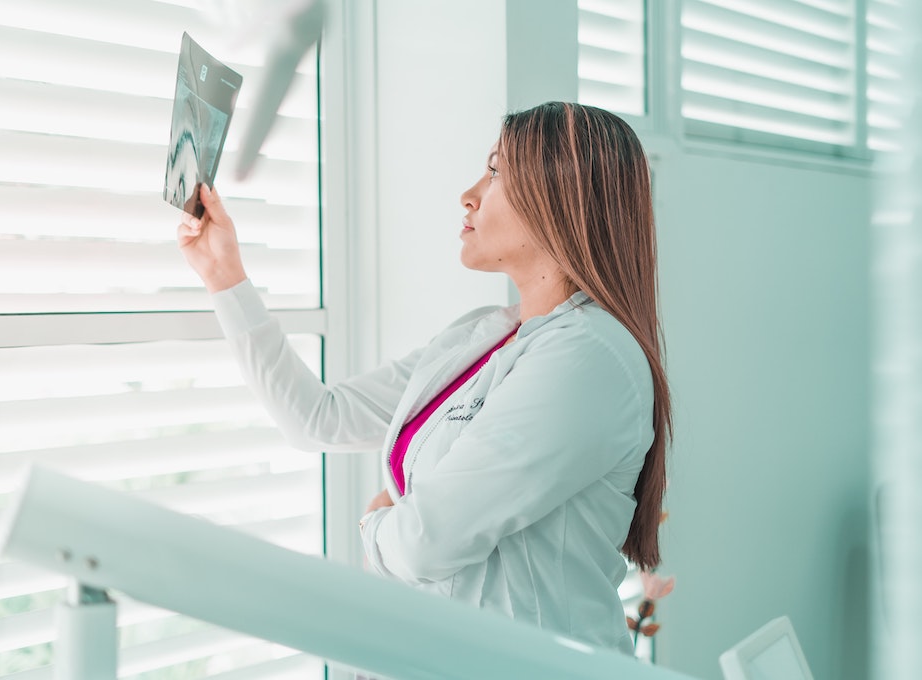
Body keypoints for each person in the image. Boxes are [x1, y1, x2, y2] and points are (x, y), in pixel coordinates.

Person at [177, 101, 671, 654]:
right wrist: (225, 275)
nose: (470, 193)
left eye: (497, 172)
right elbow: (317, 418)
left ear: (562, 201)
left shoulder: (590, 358)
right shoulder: (483, 337)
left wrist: (374, 526)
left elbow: (425, 545)